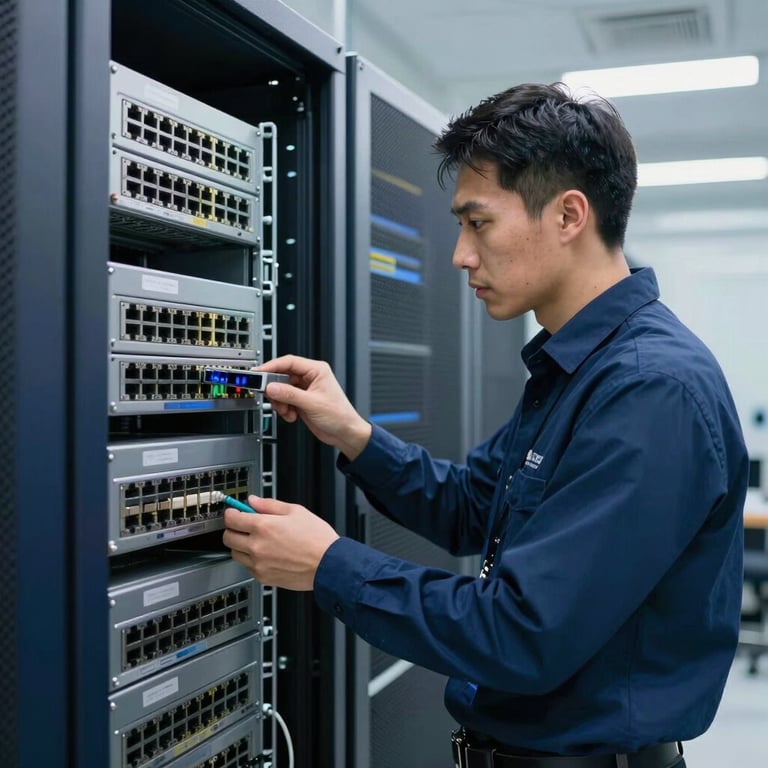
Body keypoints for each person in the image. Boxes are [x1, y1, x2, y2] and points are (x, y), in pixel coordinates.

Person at [222, 83, 748, 767]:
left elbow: (521, 634)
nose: (460, 255)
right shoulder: (576, 370)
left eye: (479, 222)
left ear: (568, 216)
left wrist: (329, 565)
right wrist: (353, 434)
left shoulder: (649, 391)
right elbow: (474, 506)